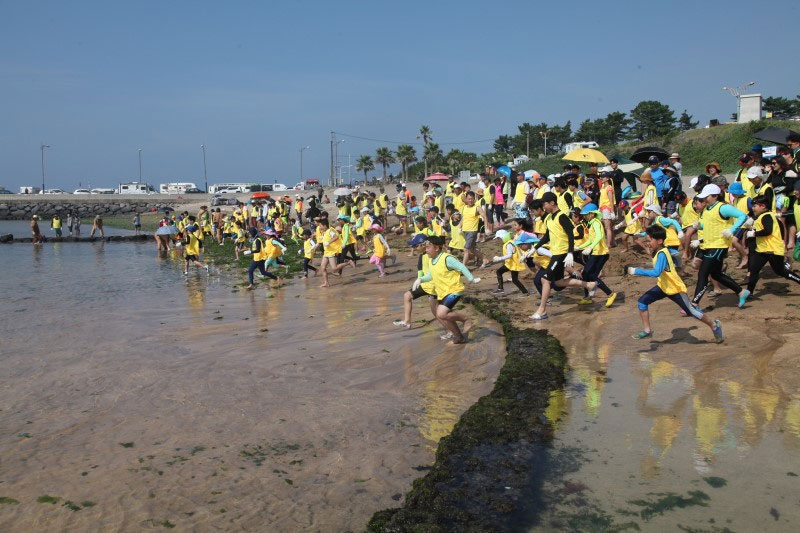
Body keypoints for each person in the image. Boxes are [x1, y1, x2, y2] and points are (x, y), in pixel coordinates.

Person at [627, 225, 723, 343]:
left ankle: (714, 325)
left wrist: (636, 271)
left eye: (650, 240)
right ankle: (647, 331)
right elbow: (668, 259)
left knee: (691, 311)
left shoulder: (662, 253)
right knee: (642, 302)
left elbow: (656, 272)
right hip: (663, 286)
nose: (648, 243)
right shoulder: (659, 251)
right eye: (647, 240)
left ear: (659, 241)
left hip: (674, 288)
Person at [530, 192, 598, 320]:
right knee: (558, 282)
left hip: (562, 253)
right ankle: (589, 285)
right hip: (555, 252)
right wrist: (535, 247)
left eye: (544, 203)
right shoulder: (550, 218)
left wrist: (570, 253)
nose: (543, 206)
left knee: (545, 279)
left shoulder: (562, 216)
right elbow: (548, 236)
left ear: (552, 203)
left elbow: (570, 235)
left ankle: (542, 310)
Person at [413, 236, 481, 344]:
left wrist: (471, 279)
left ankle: (466, 319)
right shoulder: (432, 260)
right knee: (444, 316)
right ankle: (459, 337)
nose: (426, 250)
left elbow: (461, 267)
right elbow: (430, 275)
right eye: (425, 248)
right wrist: (420, 279)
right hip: (442, 293)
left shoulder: (447, 258)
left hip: (454, 290)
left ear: (436, 248)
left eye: (428, 248)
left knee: (441, 314)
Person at [691, 184, 748, 306]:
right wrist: (699, 226)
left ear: (715, 196)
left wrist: (732, 230)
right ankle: (741, 292)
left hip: (718, 245)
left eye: (707, 197)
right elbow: (710, 225)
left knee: (703, 273)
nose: (704, 199)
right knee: (716, 274)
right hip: (708, 245)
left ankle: (694, 304)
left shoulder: (723, 208)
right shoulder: (707, 209)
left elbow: (743, 216)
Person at [738, 195, 800, 307]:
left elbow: (768, 230)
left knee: (781, 271)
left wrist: (754, 233)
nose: (753, 208)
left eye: (755, 206)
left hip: (773, 250)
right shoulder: (762, 216)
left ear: (763, 206)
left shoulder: (767, 216)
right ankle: (749, 293)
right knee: (754, 270)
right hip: (762, 250)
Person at [393, 234, 440, 330]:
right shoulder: (421, 257)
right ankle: (407, 322)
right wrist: (418, 282)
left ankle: (452, 329)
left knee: (436, 312)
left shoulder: (432, 255)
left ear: (423, 245)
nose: (414, 248)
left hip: (433, 286)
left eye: (415, 246)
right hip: (426, 285)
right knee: (408, 296)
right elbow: (420, 271)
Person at [574, 203, 617, 306]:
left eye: (586, 214)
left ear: (592, 214)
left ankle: (610, 294)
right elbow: (590, 239)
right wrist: (580, 247)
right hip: (597, 253)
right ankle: (588, 297)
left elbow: (599, 236)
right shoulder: (592, 223)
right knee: (587, 274)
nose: (584, 216)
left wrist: (590, 248)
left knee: (590, 275)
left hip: (601, 254)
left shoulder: (596, 223)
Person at [490, 229, 528, 295]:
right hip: (511, 263)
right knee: (513, 279)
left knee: (501, 273)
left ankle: (501, 289)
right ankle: (525, 292)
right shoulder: (511, 242)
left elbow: (509, 255)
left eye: (499, 238)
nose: (498, 240)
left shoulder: (508, 244)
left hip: (513, 264)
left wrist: (499, 258)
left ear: (502, 237)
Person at [460, 191, 490, 268]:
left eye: (472, 199)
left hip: (472, 231)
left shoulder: (477, 208)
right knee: (472, 249)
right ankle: (485, 259)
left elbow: (485, 216)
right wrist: (460, 227)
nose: (470, 200)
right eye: (469, 199)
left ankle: (463, 268)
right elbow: (463, 218)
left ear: (475, 199)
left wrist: (486, 228)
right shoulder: (464, 208)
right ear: (466, 199)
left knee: (466, 249)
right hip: (465, 231)